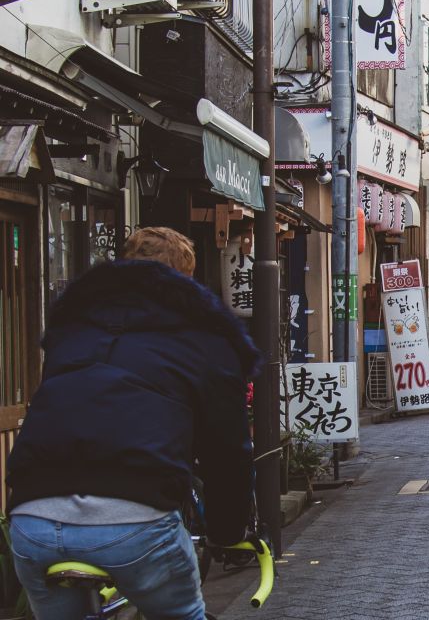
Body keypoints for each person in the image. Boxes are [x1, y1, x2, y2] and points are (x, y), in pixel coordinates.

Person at [7, 227, 261, 620]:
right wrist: (227, 534)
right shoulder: (206, 338)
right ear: (185, 279)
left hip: (33, 517)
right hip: (134, 518)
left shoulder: (72, 327)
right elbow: (226, 451)